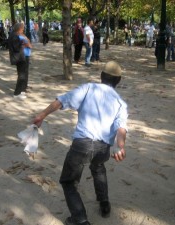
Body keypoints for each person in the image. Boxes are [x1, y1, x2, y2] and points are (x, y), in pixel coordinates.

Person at [32, 61, 128, 225]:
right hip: (103, 147)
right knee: (98, 168)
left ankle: (80, 219)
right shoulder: (120, 103)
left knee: (68, 181)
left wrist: (42, 114)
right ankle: (104, 204)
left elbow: (62, 101)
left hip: (82, 144)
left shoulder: (89, 88)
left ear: (102, 76)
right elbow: (121, 129)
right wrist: (121, 146)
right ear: (118, 81)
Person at [11, 23, 32, 99]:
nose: (23, 29)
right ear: (18, 29)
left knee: (24, 74)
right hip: (21, 57)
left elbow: (28, 43)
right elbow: (17, 47)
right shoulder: (15, 36)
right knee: (21, 75)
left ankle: (22, 90)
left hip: (24, 57)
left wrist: (26, 44)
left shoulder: (20, 35)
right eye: (22, 28)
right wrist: (24, 45)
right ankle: (17, 93)